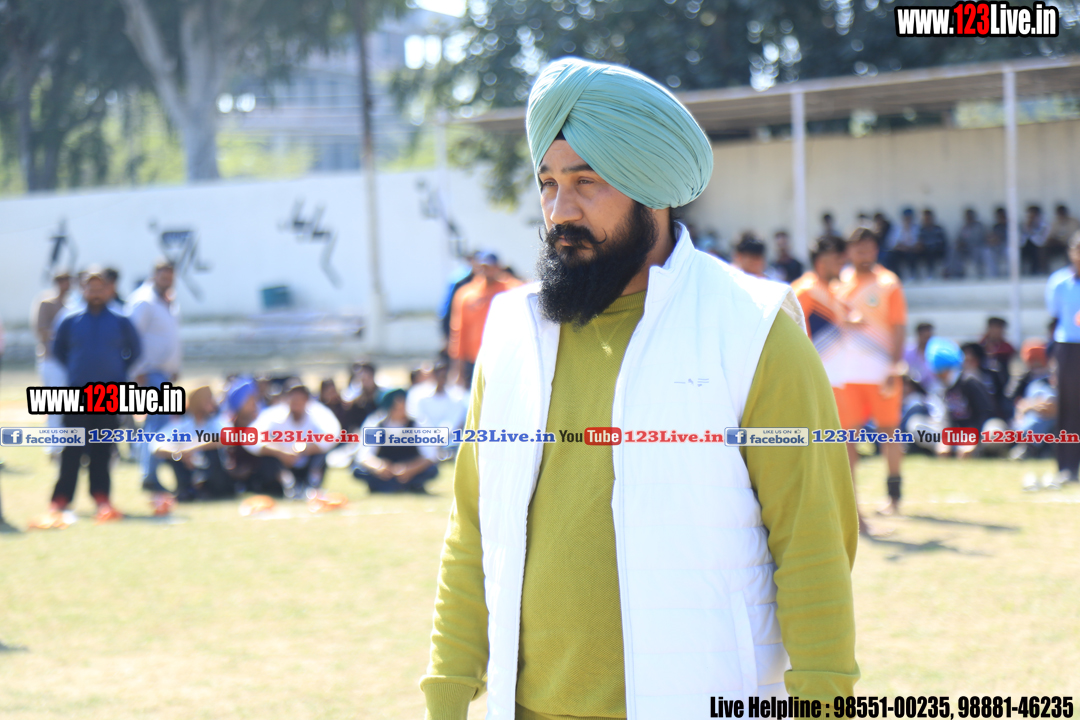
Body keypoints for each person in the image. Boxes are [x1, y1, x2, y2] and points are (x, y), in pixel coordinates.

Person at [421, 57, 858, 720]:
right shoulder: (511, 330)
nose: (559, 211)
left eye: (586, 183)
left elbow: (813, 540)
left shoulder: (753, 329)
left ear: (651, 189)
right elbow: (474, 530)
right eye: (548, 184)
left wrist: (824, 702)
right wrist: (448, 694)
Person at [42, 268, 141, 523]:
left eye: (100, 288)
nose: (95, 293)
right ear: (83, 289)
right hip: (77, 393)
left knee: (102, 448)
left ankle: (101, 496)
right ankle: (61, 498)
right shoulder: (69, 319)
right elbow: (58, 350)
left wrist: (118, 373)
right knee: (72, 448)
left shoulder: (121, 320)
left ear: (108, 290)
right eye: (90, 288)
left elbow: (136, 350)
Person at [835, 226, 908, 517]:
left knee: (890, 433)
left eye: (868, 248)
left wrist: (894, 366)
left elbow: (899, 326)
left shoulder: (888, 283)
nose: (863, 254)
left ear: (876, 250)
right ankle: (851, 502)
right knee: (846, 438)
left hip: (881, 373)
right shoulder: (838, 283)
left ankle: (894, 496)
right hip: (848, 375)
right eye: (858, 248)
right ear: (849, 251)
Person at [126, 260, 181, 495]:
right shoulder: (144, 300)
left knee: (156, 423)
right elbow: (131, 336)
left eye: (171, 276)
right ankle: (149, 475)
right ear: (154, 275)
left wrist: (174, 366)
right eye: (163, 275)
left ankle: (148, 471)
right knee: (158, 423)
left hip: (163, 372)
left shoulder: (167, 300)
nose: (167, 279)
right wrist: (138, 369)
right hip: (149, 372)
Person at [251, 381, 341, 498]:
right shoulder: (274, 414)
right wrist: (281, 452)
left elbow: (333, 434)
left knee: (321, 454)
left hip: (308, 461)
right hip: (283, 464)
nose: (296, 402)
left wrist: (305, 450)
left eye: (300, 398)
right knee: (268, 457)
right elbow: (251, 437)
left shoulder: (318, 413)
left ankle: (312, 485)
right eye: (293, 397)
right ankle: (287, 486)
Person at [447, 251, 522, 386]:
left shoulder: (513, 289)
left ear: (498, 267)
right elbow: (459, 331)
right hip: (475, 359)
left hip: (505, 358)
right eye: (482, 267)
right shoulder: (466, 294)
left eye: (489, 267)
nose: (486, 271)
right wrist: (458, 368)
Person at [151, 386, 233, 501]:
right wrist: (179, 452)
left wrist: (193, 447)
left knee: (212, 450)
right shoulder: (183, 425)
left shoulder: (216, 422)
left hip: (215, 472)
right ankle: (187, 490)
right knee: (176, 456)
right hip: (190, 467)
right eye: (206, 398)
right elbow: (157, 445)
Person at [352, 389, 439, 493]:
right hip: (384, 470)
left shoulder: (419, 423)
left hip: (412, 469)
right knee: (358, 470)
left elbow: (430, 456)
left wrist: (409, 469)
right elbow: (364, 455)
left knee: (432, 470)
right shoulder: (375, 423)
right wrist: (379, 466)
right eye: (396, 407)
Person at [1045, 232, 1080, 483]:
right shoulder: (1059, 282)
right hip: (1068, 348)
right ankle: (1066, 467)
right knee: (1068, 408)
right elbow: (1054, 318)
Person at [927, 338, 993, 459]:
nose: (938, 375)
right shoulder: (943, 388)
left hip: (978, 430)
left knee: (993, 432)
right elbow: (945, 418)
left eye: (941, 371)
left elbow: (985, 414)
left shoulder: (969, 382)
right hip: (958, 433)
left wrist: (973, 439)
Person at [31, 271, 72, 436]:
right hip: (51, 359)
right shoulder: (47, 303)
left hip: (68, 361)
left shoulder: (72, 304)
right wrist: (62, 336)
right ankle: (54, 442)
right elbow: (40, 330)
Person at [1010, 340, 1056, 460]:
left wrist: (1033, 405)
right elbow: (1014, 403)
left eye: (1038, 358)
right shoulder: (1023, 381)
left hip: (1051, 424)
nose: (1036, 363)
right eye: (1032, 359)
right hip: (1021, 424)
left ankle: (1029, 447)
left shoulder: (1052, 380)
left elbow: (1051, 406)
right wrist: (1028, 406)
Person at [405, 358, 467, 433]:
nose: (441, 379)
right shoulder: (420, 396)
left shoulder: (456, 398)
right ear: (434, 376)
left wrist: (441, 434)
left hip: (449, 438)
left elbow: (453, 422)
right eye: (439, 375)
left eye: (444, 376)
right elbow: (421, 419)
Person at [980, 316, 1015, 417]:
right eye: (994, 327)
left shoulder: (1007, 348)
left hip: (1003, 385)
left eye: (999, 328)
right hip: (984, 384)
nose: (996, 331)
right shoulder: (981, 347)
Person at [342, 361, 381, 430]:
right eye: (362, 379)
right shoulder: (357, 402)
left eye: (367, 378)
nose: (365, 382)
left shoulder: (381, 398)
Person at [903, 322, 940, 395]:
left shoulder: (938, 354)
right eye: (924, 337)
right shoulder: (907, 352)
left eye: (929, 337)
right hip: (913, 390)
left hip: (934, 390)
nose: (926, 340)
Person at [884, 207, 918, 279]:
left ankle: (913, 275)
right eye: (906, 217)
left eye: (909, 217)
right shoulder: (897, 228)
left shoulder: (916, 228)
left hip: (912, 250)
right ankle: (897, 276)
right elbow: (891, 243)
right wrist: (900, 246)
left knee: (912, 256)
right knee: (891, 257)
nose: (908, 219)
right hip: (900, 250)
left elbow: (917, 242)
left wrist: (909, 247)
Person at [955, 208, 987, 279]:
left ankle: (979, 274)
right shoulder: (963, 227)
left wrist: (969, 244)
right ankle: (957, 273)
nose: (968, 218)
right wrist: (959, 243)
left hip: (978, 247)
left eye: (970, 216)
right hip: (966, 249)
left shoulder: (979, 226)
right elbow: (959, 239)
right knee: (954, 250)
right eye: (967, 216)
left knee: (976, 250)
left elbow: (982, 239)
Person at [916, 208, 948, 279]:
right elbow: (920, 241)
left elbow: (943, 241)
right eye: (925, 219)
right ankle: (926, 274)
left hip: (938, 249)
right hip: (926, 250)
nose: (927, 220)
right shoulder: (921, 230)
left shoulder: (938, 229)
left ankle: (944, 272)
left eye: (929, 218)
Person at [1046, 204, 1079, 271]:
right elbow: (1051, 235)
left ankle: (1070, 269)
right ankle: (1044, 269)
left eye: (1062, 213)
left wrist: (1062, 240)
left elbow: (1074, 237)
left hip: (1069, 244)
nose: (1061, 215)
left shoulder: (1073, 222)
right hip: (1058, 245)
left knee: (1070, 249)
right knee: (1045, 248)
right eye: (1059, 214)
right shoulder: (1055, 223)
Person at [1020, 204, 1050, 275]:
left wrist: (1032, 231)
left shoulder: (1044, 226)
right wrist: (1027, 228)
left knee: (1038, 251)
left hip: (1039, 247)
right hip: (1025, 247)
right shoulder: (1022, 226)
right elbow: (1020, 241)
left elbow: (1043, 240)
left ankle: (1037, 271)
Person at [987, 206, 1008, 278]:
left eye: (1002, 216)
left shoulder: (1010, 225)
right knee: (988, 252)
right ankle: (994, 276)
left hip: (1006, 247)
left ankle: (1010, 275)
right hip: (996, 248)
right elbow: (991, 238)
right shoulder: (995, 227)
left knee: (1010, 251)